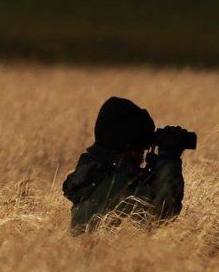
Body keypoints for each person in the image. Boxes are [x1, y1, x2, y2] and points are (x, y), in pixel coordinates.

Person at [62, 97, 187, 235]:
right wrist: (169, 159)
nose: (142, 156)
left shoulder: (94, 173)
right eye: (141, 148)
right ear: (129, 148)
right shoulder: (116, 183)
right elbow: (163, 211)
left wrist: (152, 173)